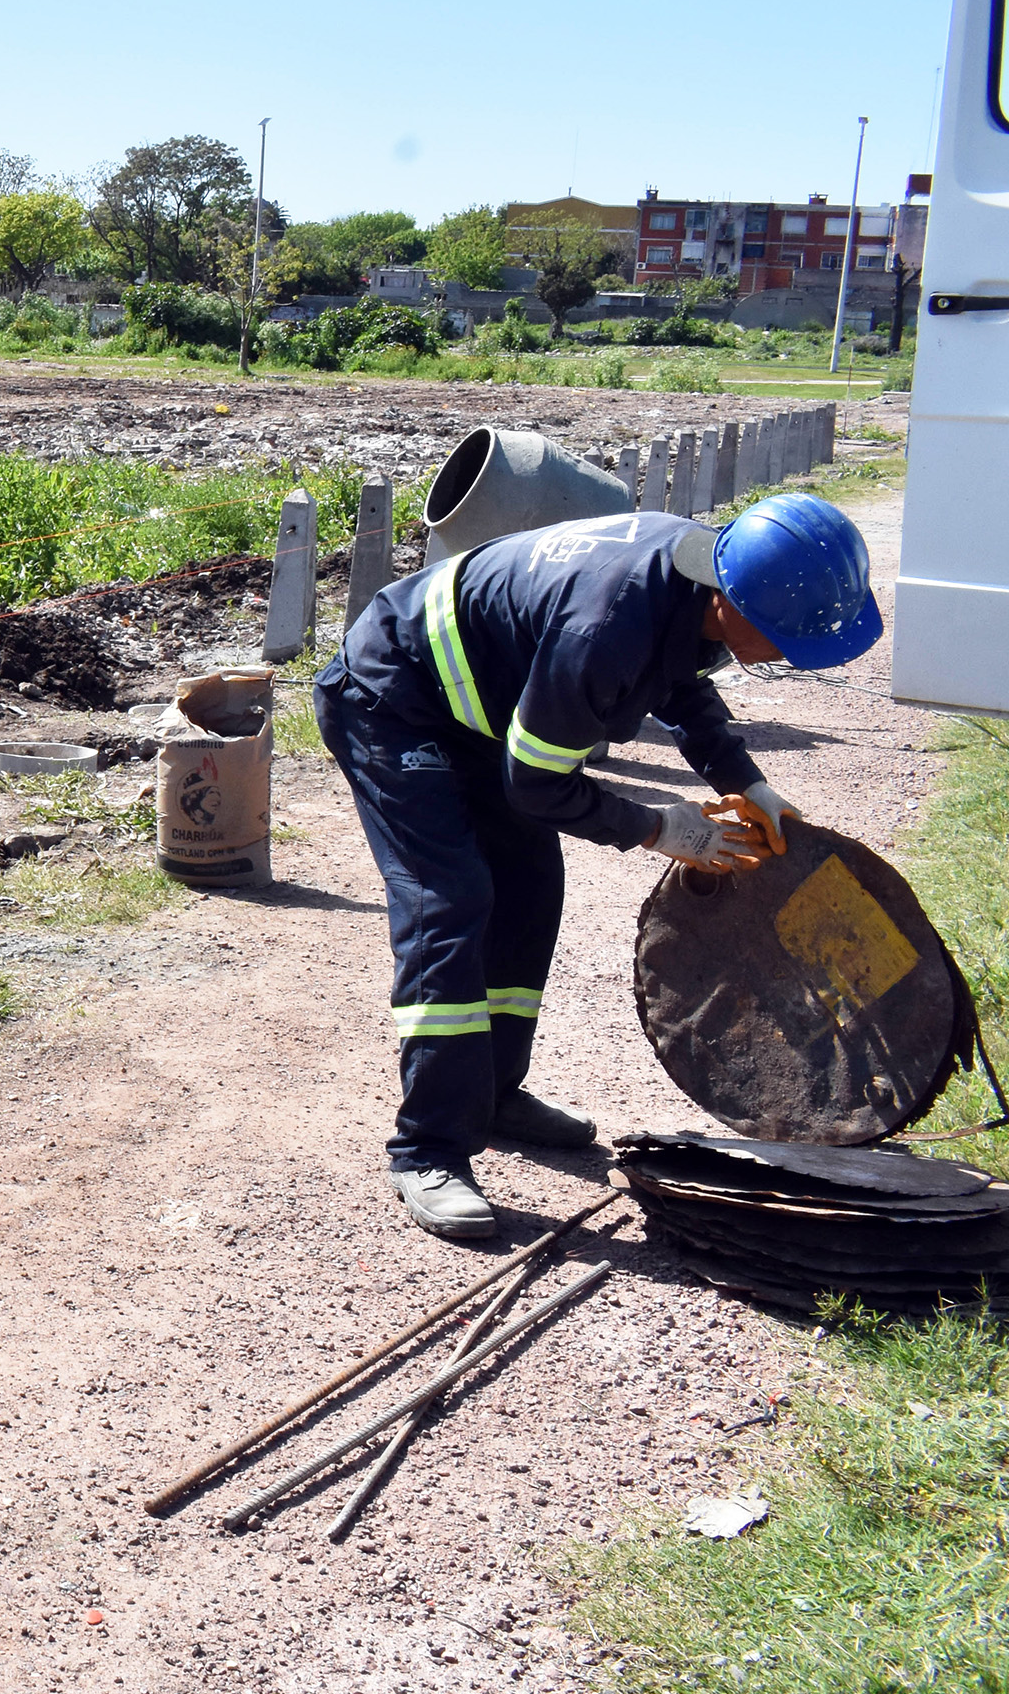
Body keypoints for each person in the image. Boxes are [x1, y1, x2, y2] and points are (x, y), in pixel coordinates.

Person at [313, 491, 884, 1239]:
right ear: (732, 601)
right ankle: (428, 1149)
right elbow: (540, 785)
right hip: (391, 700)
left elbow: (681, 679)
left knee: (530, 888)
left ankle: (493, 1094)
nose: (785, 653)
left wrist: (748, 783)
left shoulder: (702, 574)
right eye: (782, 636)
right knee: (449, 903)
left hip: (481, 709)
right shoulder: (607, 626)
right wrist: (659, 828)